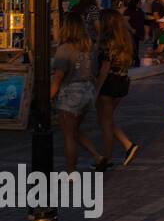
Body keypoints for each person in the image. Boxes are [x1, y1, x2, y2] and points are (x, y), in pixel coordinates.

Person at [51, 16, 107, 171]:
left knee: (68, 135)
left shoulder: (65, 48)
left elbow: (58, 76)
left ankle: (71, 171)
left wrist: (48, 97)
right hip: (88, 90)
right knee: (74, 130)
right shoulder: (89, 47)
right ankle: (97, 156)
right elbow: (95, 70)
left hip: (71, 92)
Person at [96, 10, 139, 168]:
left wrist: (96, 89)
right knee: (105, 119)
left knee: (105, 122)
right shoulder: (124, 39)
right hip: (122, 81)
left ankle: (106, 158)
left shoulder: (107, 40)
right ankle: (127, 145)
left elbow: (104, 68)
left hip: (109, 83)